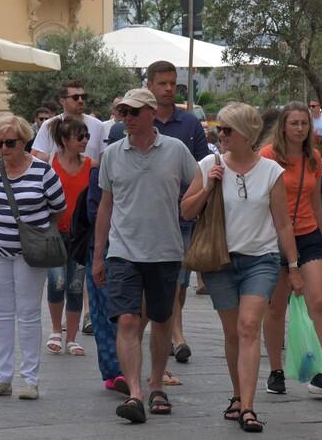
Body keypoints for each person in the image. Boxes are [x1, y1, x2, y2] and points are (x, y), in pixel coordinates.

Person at [181, 103, 302, 433]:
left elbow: (282, 225)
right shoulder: (209, 164)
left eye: (227, 130)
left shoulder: (271, 172)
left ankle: (248, 407)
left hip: (260, 260)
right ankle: (236, 395)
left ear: (247, 134)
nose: (220, 135)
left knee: (250, 327)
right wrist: (208, 187)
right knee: (233, 332)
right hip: (219, 261)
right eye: (219, 129)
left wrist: (293, 266)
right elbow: (187, 211)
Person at [92, 88, 198, 424]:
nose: (128, 117)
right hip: (123, 251)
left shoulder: (176, 150)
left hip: (166, 250)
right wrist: (98, 256)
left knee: (163, 319)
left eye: (134, 112)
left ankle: (156, 385)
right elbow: (105, 206)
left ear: (151, 113)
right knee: (127, 319)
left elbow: (197, 189)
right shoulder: (112, 154)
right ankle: (136, 393)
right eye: (124, 111)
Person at [0, 114, 66, 401]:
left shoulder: (43, 171)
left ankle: (30, 379)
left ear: (24, 141)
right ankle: (2, 378)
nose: (3, 148)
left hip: (31, 251)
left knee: (27, 313)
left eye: (9, 142)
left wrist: (35, 228)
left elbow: (60, 208)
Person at [260, 102, 322, 398]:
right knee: (276, 307)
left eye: (304, 124)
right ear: (283, 126)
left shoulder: (313, 157)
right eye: (293, 123)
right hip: (275, 238)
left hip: (308, 234)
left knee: (317, 302)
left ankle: (319, 372)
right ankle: (275, 371)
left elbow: (315, 199)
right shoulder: (268, 156)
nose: (299, 128)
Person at [146, 60, 211, 367]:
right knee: (164, 279)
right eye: (163, 83)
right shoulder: (142, 121)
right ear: (150, 86)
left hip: (183, 216)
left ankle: (172, 329)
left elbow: (203, 165)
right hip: (150, 217)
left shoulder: (189, 123)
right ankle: (175, 334)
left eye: (173, 83)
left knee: (181, 282)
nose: (169, 88)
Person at [85, 122, 129, 394]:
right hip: (103, 248)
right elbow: (95, 212)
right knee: (103, 313)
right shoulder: (98, 171)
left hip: (131, 250)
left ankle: (125, 367)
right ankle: (113, 371)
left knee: (126, 315)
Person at [43, 117, 92, 358]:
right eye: (79, 137)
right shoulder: (50, 164)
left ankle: (72, 337)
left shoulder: (91, 165)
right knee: (57, 281)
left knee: (75, 285)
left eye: (87, 137)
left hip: (80, 235)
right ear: (64, 140)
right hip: (54, 232)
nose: (85, 141)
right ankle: (55, 330)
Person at [31, 81, 105, 163]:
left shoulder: (98, 125)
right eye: (75, 97)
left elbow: (104, 158)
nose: (80, 100)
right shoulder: (49, 125)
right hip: (57, 175)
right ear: (62, 101)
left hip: (90, 174)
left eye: (83, 97)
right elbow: (35, 157)